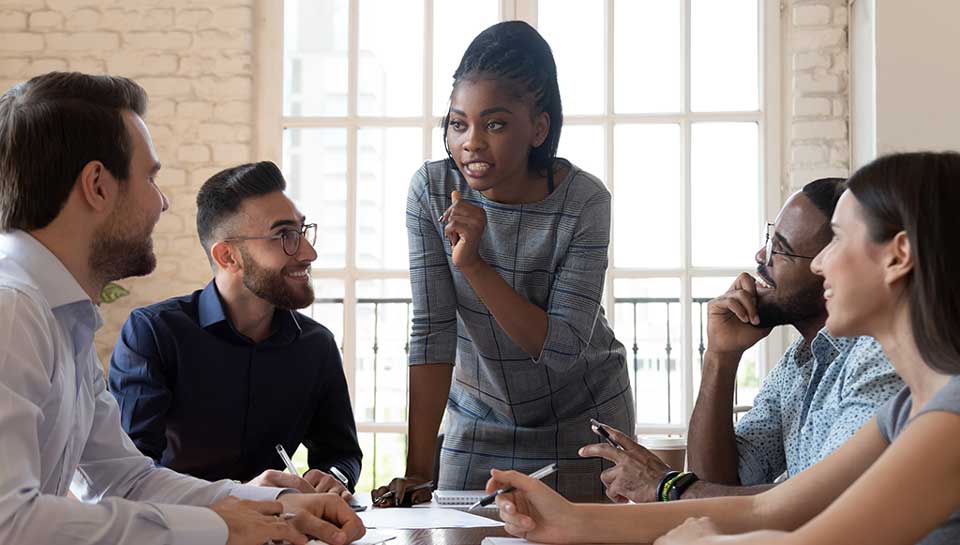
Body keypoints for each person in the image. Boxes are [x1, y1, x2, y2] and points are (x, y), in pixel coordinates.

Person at [486, 151, 960, 545]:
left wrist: (701, 539)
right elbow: (764, 507)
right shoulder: (906, 410)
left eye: (836, 239)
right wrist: (565, 519)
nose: (820, 262)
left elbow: (807, 539)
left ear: (898, 256)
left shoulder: (951, 416)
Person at [0, 71, 364, 545]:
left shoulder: (62, 316)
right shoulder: (12, 310)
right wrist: (219, 527)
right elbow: (9, 522)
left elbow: (123, 479)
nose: (162, 202)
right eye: (150, 177)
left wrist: (272, 505)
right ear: (98, 185)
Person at [373, 20, 634, 505]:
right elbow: (431, 329)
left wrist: (474, 266)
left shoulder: (584, 201)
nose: (471, 141)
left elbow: (559, 349)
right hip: (478, 417)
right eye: (458, 123)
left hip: (585, 418)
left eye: (494, 123)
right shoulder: (429, 191)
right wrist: (416, 468)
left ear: (539, 127)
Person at [580, 178, 901, 503]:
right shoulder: (799, 361)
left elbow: (825, 503)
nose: (762, 255)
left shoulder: (881, 359)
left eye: (782, 249)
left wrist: (666, 485)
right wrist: (720, 356)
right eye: (769, 239)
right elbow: (721, 485)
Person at [108, 161, 362, 498]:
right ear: (228, 256)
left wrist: (334, 477)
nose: (308, 252)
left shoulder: (317, 345)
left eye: (302, 231)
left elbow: (341, 454)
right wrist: (238, 494)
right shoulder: (154, 334)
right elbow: (131, 471)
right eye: (284, 235)